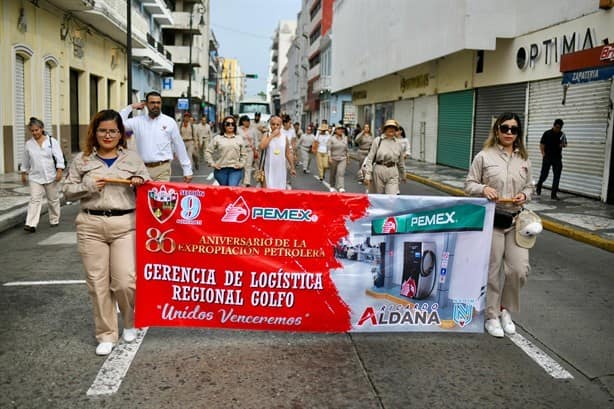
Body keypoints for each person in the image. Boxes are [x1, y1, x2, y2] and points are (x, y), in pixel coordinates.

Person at [62, 109, 150, 355]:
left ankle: (130, 323)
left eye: (113, 130)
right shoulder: (82, 160)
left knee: (124, 281)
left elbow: (149, 187)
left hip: (125, 225)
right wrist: (87, 185)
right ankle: (106, 333)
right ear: (95, 132)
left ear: (120, 133)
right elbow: (67, 191)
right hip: (91, 225)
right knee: (97, 283)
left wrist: (139, 183)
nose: (108, 135)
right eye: (103, 130)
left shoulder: (132, 159)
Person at [464, 112, 533, 338]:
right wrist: (483, 189)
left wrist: (524, 195)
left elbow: (530, 187)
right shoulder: (484, 157)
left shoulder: (524, 159)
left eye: (514, 129)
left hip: (515, 221)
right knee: (493, 270)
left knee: (519, 270)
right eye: (505, 128)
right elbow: (469, 184)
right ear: (497, 130)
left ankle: (505, 309)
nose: (509, 133)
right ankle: (491, 315)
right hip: (492, 220)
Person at [120, 91, 192, 183]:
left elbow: (179, 145)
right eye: (152, 103)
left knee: (159, 197)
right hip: (142, 170)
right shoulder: (137, 121)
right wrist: (131, 107)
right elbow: (119, 124)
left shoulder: (170, 122)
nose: (156, 105)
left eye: (158, 103)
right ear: (146, 104)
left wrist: (187, 170)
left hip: (162, 170)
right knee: (143, 197)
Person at [20, 117, 65, 232]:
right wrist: (23, 172)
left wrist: (59, 170)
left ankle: (54, 219)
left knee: (53, 199)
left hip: (51, 175)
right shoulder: (29, 144)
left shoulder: (51, 141)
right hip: (35, 177)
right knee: (34, 199)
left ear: (42, 129)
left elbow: (59, 157)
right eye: (32, 131)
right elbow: (25, 160)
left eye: (37, 130)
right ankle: (31, 224)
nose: (35, 133)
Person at [363, 119, 406, 194]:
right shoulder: (378, 141)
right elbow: (370, 158)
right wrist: (368, 174)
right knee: (380, 197)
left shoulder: (398, 143)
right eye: (389, 127)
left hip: (393, 171)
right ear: (385, 129)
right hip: (379, 170)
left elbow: (401, 161)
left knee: (391, 198)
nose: (391, 129)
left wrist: (403, 174)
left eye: (393, 128)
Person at [205, 115, 248, 186]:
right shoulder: (217, 138)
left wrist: (241, 164)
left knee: (232, 187)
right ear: (224, 126)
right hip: (221, 170)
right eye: (228, 124)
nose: (230, 126)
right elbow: (208, 151)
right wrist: (212, 163)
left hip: (235, 170)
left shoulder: (239, 138)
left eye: (233, 124)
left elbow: (244, 154)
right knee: (225, 191)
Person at [258, 115, 295, 189]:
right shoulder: (267, 135)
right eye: (273, 124)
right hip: (268, 168)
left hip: (280, 169)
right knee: (268, 190)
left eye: (278, 124)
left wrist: (292, 167)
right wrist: (272, 135)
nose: (275, 126)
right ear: (270, 125)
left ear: (281, 126)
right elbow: (262, 146)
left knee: (280, 189)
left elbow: (288, 153)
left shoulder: (284, 137)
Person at [535, 118, 567, 200]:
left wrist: (562, 145)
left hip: (557, 158)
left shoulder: (562, 134)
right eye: (557, 127)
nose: (558, 129)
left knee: (557, 176)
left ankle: (554, 194)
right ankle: (539, 185)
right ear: (554, 125)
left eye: (560, 128)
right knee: (544, 175)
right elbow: (542, 144)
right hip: (548, 157)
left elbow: (565, 144)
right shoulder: (547, 133)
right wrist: (543, 153)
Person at [328, 125, 349, 192]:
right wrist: (329, 157)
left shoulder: (345, 138)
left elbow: (347, 149)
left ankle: (341, 187)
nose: (341, 130)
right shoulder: (331, 138)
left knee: (341, 172)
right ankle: (332, 185)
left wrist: (348, 158)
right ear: (336, 130)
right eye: (339, 129)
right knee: (333, 173)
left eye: (342, 129)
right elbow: (329, 149)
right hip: (334, 158)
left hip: (343, 158)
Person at [237, 115, 257, 187]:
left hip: (250, 149)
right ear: (243, 122)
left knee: (248, 166)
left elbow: (255, 140)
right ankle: (240, 181)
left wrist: (256, 149)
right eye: (247, 121)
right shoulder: (238, 129)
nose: (248, 123)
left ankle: (247, 182)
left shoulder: (252, 129)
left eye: (249, 121)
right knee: (241, 166)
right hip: (240, 150)